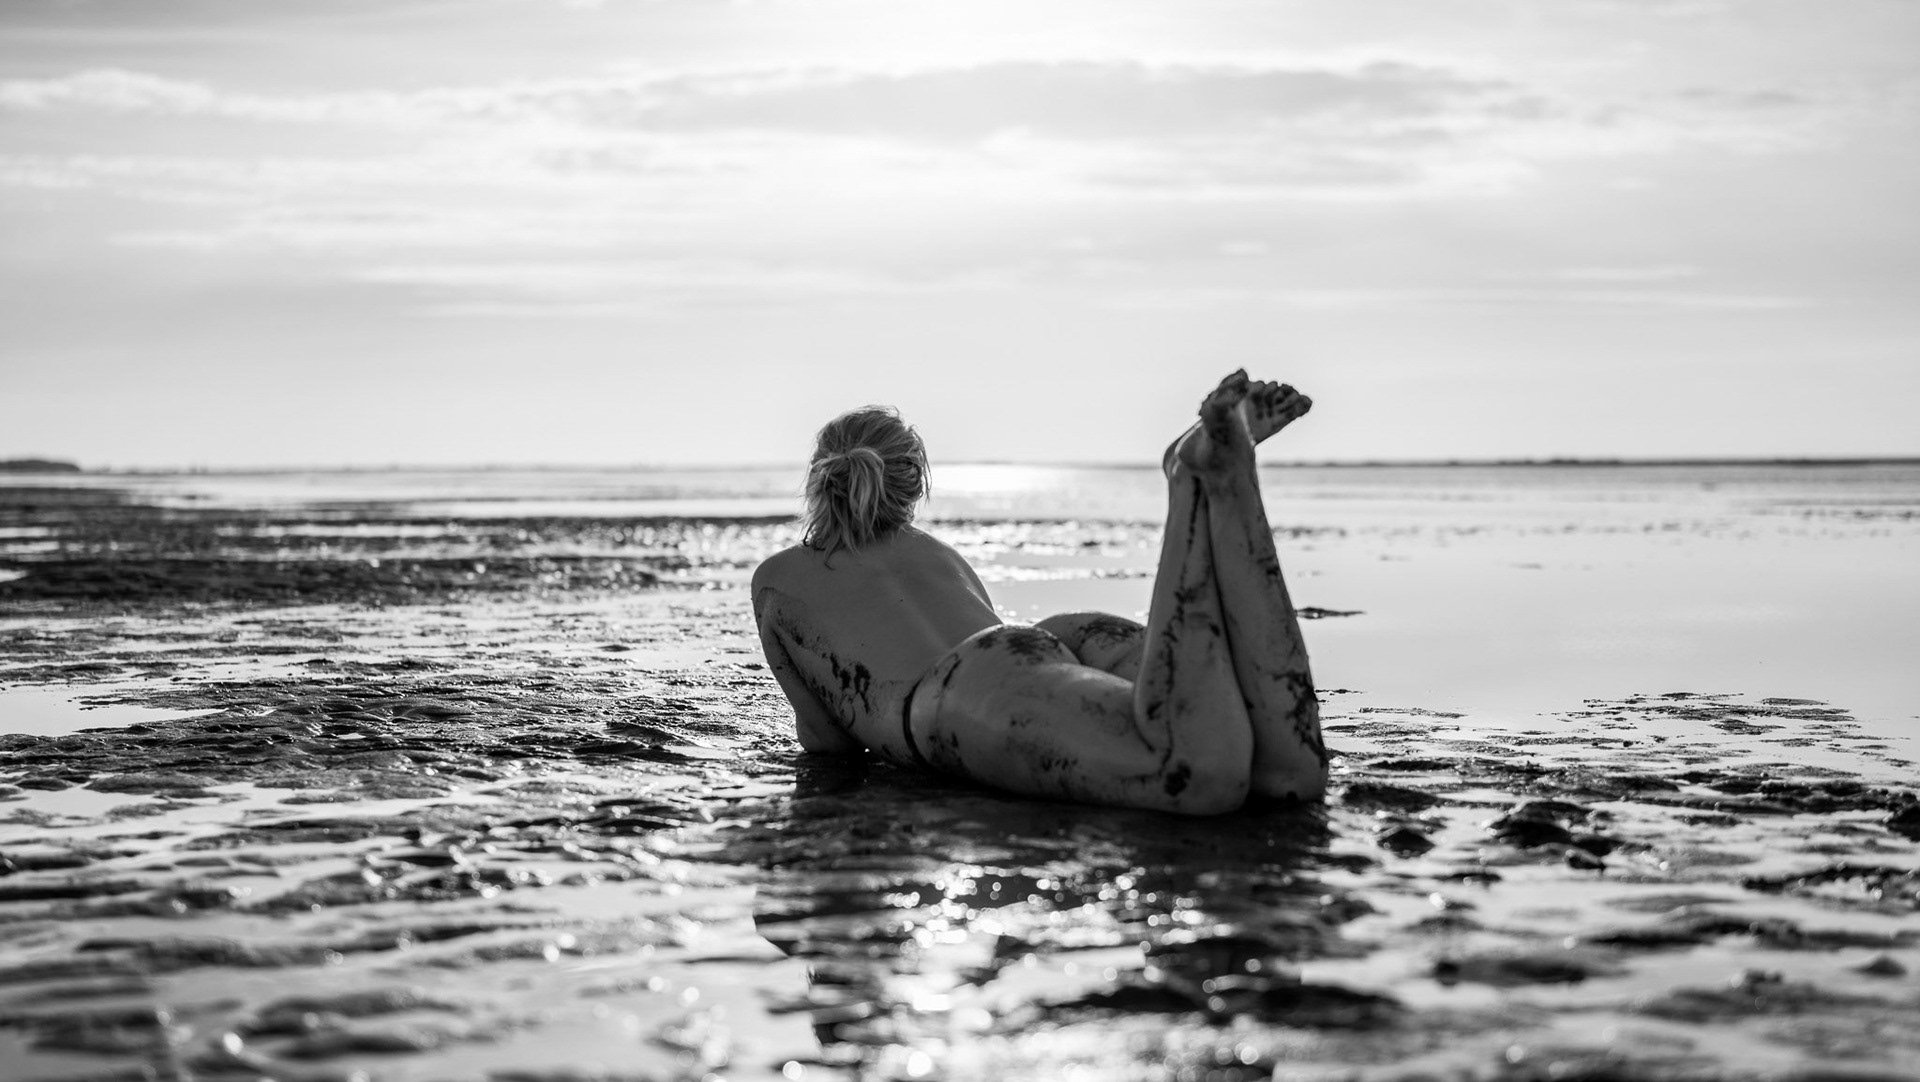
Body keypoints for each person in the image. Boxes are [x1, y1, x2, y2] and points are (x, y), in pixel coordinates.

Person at [750, 371, 1327, 815]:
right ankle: (1228, 483)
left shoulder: (778, 581)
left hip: (968, 694)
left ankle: (1188, 482)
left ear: (822, 480)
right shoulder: (938, 554)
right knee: (1286, 775)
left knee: (1195, 772)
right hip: (1051, 642)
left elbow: (829, 744)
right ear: (913, 483)